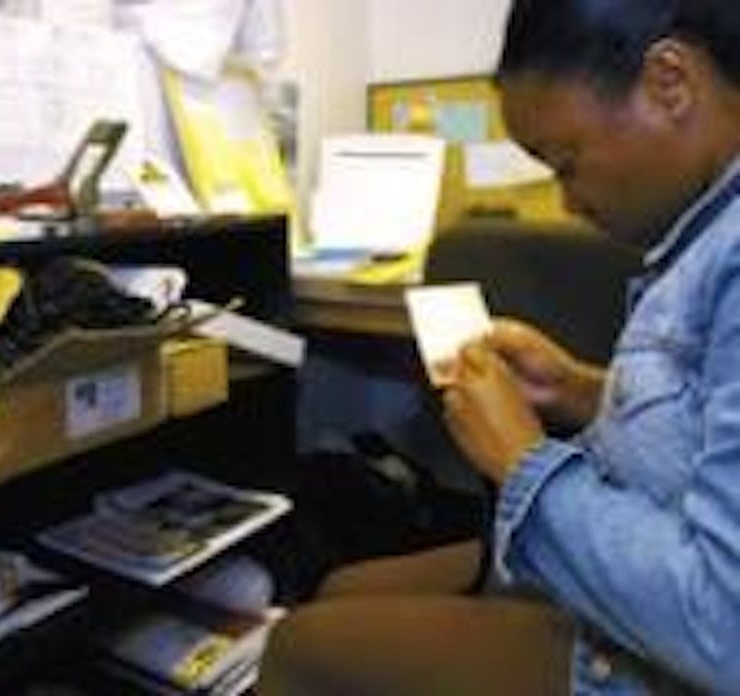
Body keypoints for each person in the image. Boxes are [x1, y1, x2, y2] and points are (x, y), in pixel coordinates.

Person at [259, 0, 740, 693]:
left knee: (300, 649)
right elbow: (707, 422)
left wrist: (521, 460)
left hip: (654, 651)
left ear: (670, 83)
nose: (568, 203)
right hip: (605, 573)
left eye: (566, 163)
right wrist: (576, 389)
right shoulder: (703, 233)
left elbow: (719, 629)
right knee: (340, 587)